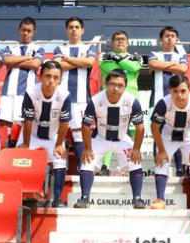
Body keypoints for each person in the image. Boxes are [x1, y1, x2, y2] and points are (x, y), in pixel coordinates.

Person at [74, 69, 145, 209]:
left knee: (136, 163)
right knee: (87, 162)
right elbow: (85, 126)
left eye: (120, 85)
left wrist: (136, 149)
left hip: (122, 139)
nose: (116, 88)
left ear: (125, 86)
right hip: (100, 138)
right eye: (112, 84)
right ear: (106, 84)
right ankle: (84, 198)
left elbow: (140, 127)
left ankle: (137, 199)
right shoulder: (95, 100)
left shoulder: (132, 101)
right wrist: (87, 148)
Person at [18, 61, 71, 208]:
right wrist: (26, 145)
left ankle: (57, 198)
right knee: (20, 157)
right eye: (48, 76)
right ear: (40, 76)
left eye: (55, 77)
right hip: (31, 135)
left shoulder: (65, 95)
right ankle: (24, 194)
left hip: (53, 137)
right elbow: (27, 121)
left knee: (60, 160)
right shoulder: (31, 93)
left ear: (60, 79)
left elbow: (64, 122)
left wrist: (60, 144)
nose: (51, 81)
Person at [150, 74, 190, 209]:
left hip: (187, 136)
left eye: (183, 91)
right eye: (175, 91)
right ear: (169, 91)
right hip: (167, 136)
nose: (179, 95)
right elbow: (154, 127)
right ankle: (160, 200)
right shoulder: (163, 103)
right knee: (161, 162)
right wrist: (162, 150)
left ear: (189, 90)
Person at [53, 17, 97, 172]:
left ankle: (83, 168)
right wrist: (79, 61)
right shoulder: (60, 48)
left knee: (80, 134)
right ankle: (57, 169)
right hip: (61, 98)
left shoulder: (89, 48)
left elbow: (90, 63)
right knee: (57, 133)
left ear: (82, 30)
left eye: (77, 27)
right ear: (67, 30)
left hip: (81, 99)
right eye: (71, 27)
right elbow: (57, 67)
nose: (74, 30)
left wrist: (67, 59)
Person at [98, 30, 143, 174]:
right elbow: (111, 69)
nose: (120, 41)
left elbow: (134, 67)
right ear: (112, 43)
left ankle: (132, 163)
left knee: (133, 131)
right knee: (108, 132)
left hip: (132, 99)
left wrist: (118, 58)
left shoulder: (137, 57)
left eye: (123, 39)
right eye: (117, 39)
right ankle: (104, 166)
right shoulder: (104, 57)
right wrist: (123, 62)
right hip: (111, 100)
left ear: (128, 42)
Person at [148, 26, 189, 176]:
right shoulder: (154, 54)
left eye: (173, 36)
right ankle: (158, 165)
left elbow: (184, 70)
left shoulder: (182, 55)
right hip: (157, 100)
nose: (170, 38)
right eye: (166, 36)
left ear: (177, 39)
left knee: (176, 133)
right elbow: (153, 65)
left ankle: (178, 167)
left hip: (177, 102)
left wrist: (165, 66)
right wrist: (174, 66)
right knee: (157, 132)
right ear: (161, 39)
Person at [0, 17, 45, 147]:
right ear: (19, 30)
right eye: (23, 30)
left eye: (29, 31)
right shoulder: (10, 47)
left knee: (24, 122)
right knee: (5, 122)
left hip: (27, 91)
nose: (26, 33)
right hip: (8, 91)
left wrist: (15, 61)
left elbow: (35, 64)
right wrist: (26, 58)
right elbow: (7, 61)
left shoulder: (39, 48)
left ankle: (21, 150)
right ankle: (5, 152)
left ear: (34, 32)